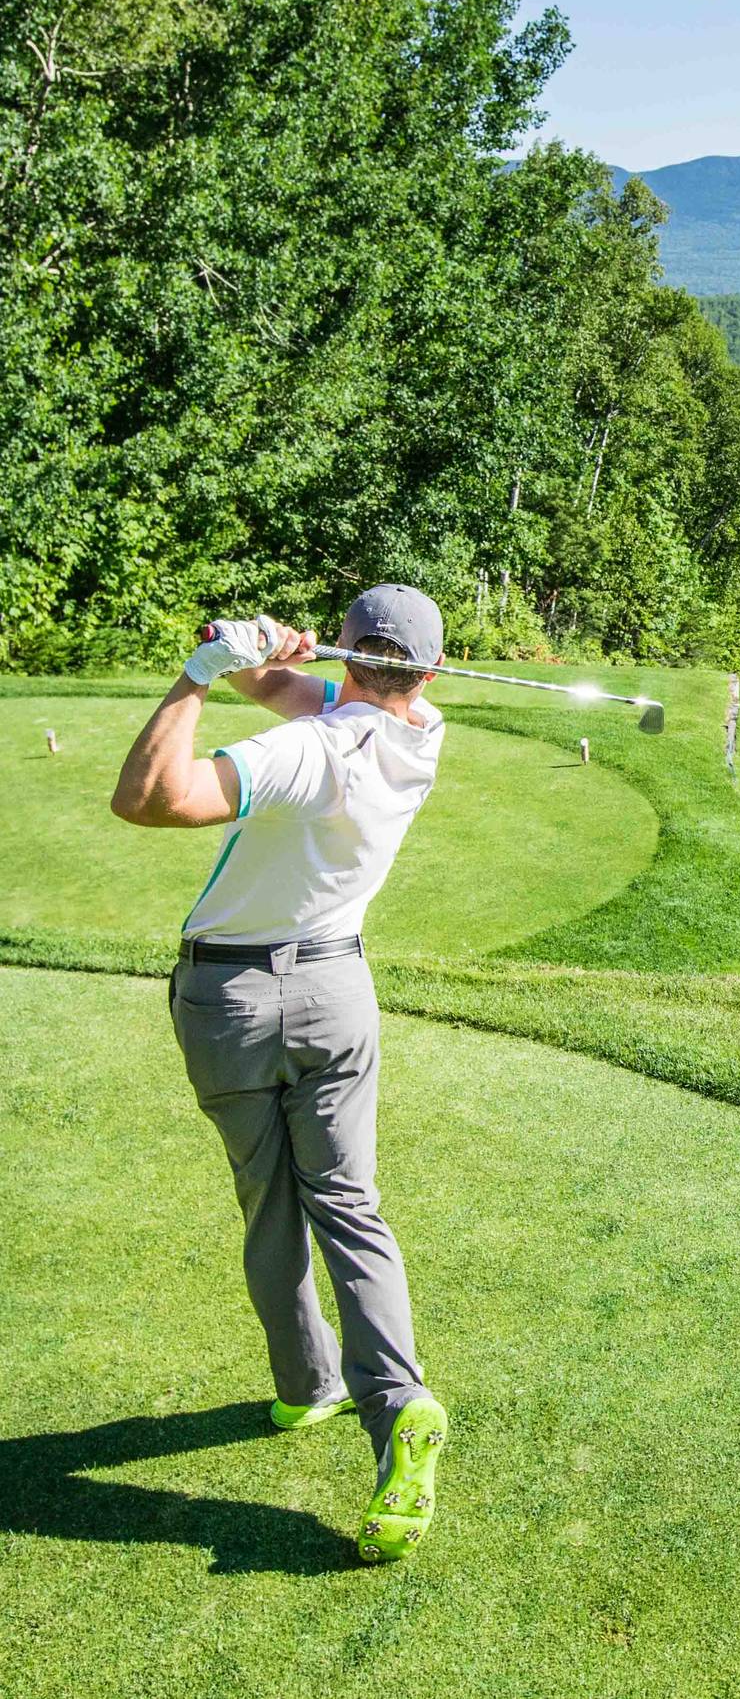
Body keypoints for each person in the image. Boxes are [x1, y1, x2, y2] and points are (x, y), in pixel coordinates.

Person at [111, 585, 449, 1565]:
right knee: (350, 1202)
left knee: (270, 1202)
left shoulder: (304, 753)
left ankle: (307, 1386)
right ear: (425, 672)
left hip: (233, 1002)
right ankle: (399, 1404)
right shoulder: (422, 733)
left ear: (348, 653)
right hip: (338, 989)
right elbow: (303, 696)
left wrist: (195, 675)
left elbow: (149, 798)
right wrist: (248, 652)